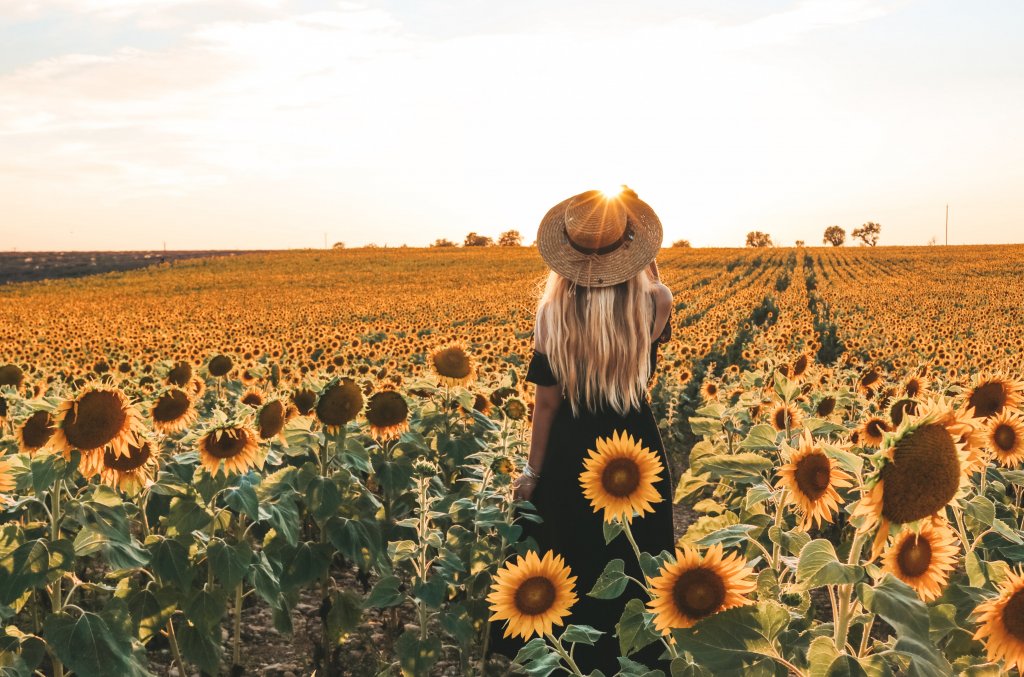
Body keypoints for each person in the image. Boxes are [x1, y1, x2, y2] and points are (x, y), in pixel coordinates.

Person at [488, 186, 676, 674]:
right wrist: (642, 257)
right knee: (635, 564)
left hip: (572, 453)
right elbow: (652, 282)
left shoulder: (552, 312)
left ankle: (571, 664)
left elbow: (546, 404)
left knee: (569, 563)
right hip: (635, 453)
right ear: (632, 250)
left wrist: (532, 471)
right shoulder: (656, 303)